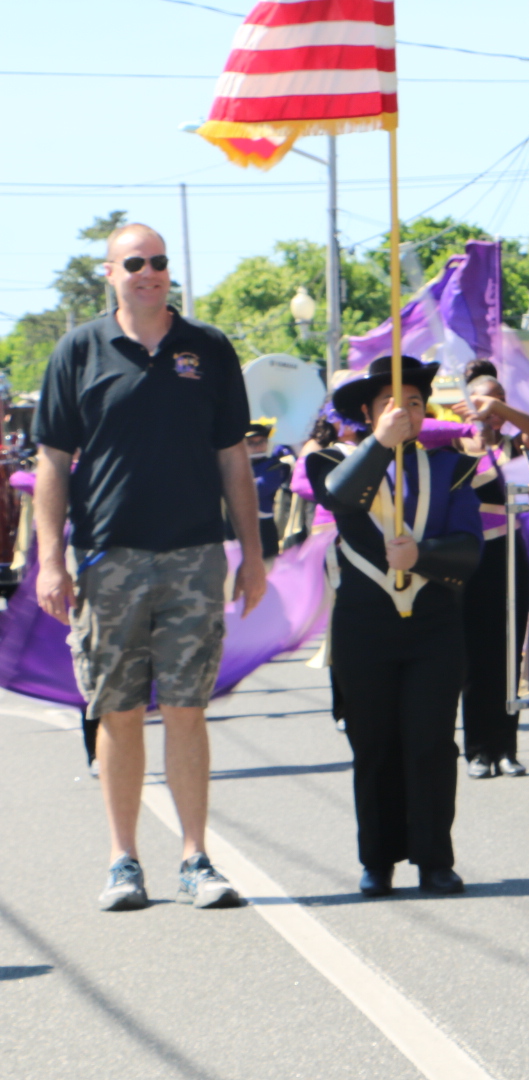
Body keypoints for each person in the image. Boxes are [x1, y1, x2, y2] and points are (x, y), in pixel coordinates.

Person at [34, 221, 266, 912]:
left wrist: (252, 555)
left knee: (188, 709)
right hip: (109, 559)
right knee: (119, 711)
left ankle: (196, 858)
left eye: (160, 262)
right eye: (135, 262)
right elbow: (51, 460)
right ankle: (123, 860)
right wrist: (49, 560)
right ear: (110, 272)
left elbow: (234, 460)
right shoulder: (79, 351)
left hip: (195, 555)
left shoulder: (208, 350)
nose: (150, 272)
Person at [308, 356, 483, 898]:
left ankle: (435, 859)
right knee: (374, 744)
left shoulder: (450, 467)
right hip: (363, 624)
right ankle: (377, 860)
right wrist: (381, 444)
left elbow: (471, 550)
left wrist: (424, 554)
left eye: (413, 402)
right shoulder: (333, 461)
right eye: (389, 402)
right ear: (366, 411)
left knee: (432, 743)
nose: (403, 411)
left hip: (433, 624)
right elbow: (340, 496)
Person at [452, 359, 529, 780]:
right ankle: (477, 749)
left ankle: (506, 748)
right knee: (476, 655)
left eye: (501, 402)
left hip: (515, 557)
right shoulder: (455, 447)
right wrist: (472, 419)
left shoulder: (514, 447)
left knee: (509, 655)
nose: (494, 409)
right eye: (486, 402)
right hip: (475, 559)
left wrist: (498, 410)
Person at [242, 419, 292, 562]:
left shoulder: (274, 466)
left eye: (261, 442)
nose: (257, 447)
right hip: (238, 528)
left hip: (263, 528)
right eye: (251, 443)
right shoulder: (238, 466)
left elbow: (259, 489)